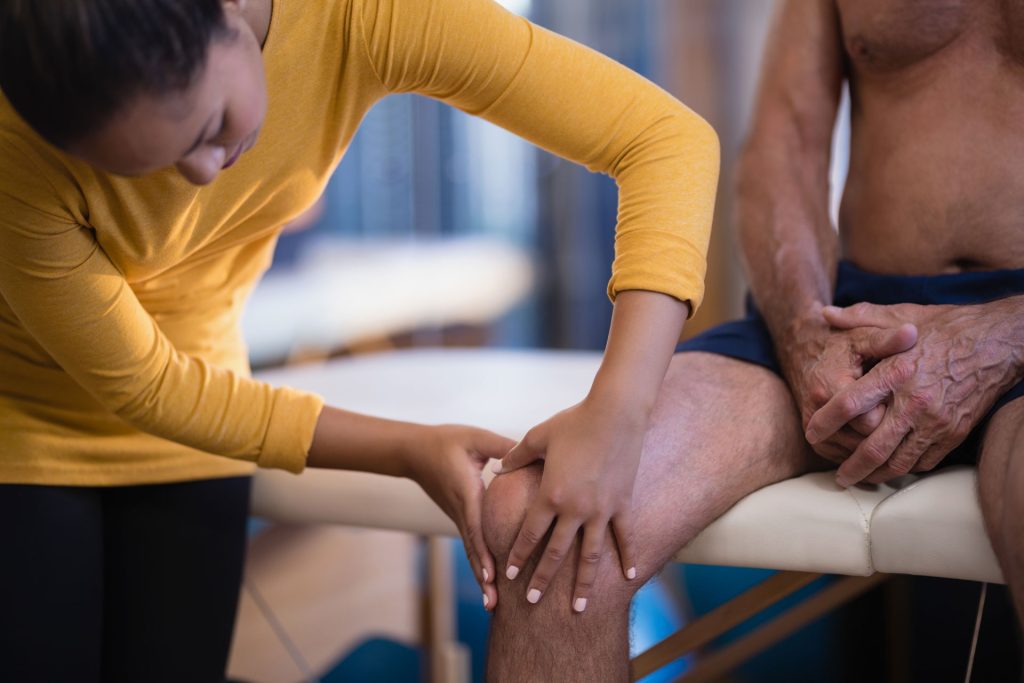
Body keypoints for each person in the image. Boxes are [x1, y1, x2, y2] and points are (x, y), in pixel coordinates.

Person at [0, 0, 719, 680]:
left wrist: (619, 410)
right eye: (141, 166)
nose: (201, 174)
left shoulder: (358, 15)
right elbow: (149, 385)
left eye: (210, 126)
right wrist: (406, 449)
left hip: (197, 419)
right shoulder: (15, 140)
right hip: (24, 426)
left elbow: (664, 141)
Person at [482, 0, 1024, 680]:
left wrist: (1002, 336)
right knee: (541, 519)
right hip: (848, 316)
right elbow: (782, 146)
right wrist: (804, 334)